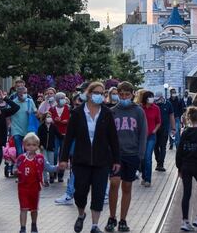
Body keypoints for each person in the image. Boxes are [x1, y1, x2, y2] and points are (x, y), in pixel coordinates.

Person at [59, 81, 121, 233]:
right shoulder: (77, 113)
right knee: (80, 192)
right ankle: (81, 214)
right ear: (89, 93)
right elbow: (68, 138)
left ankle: (94, 225)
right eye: (96, 92)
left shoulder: (107, 113)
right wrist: (63, 158)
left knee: (99, 193)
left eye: (102, 93)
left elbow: (113, 138)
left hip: (101, 160)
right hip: (81, 160)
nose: (99, 95)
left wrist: (116, 160)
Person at [106, 82, 146, 232]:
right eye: (121, 94)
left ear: (132, 94)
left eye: (126, 95)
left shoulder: (138, 111)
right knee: (114, 183)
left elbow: (143, 133)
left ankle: (123, 219)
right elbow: (107, 134)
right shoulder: (112, 111)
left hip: (132, 154)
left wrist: (140, 155)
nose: (123, 97)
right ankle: (112, 217)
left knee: (127, 186)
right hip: (116, 155)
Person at [177, 106, 197, 231]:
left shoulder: (185, 132)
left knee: (186, 192)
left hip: (185, 166)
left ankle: (185, 221)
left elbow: (179, 151)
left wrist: (178, 167)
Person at [16, 133, 53, 233]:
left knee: (34, 209)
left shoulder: (40, 158)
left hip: (35, 188)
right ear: (24, 145)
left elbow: (49, 168)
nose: (31, 147)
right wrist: (16, 172)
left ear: (37, 145)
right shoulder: (21, 158)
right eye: (28, 145)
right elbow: (16, 168)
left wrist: (58, 167)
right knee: (23, 208)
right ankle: (22, 228)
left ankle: (34, 225)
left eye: (33, 145)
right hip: (23, 187)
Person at [9, 79, 37, 157]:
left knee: (27, 150)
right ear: (17, 93)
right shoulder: (13, 101)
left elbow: (35, 111)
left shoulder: (30, 100)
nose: (23, 95)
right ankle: (19, 166)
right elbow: (7, 113)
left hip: (27, 129)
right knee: (19, 151)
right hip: (16, 129)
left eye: (25, 93)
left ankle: (26, 166)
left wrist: (31, 112)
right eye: (21, 93)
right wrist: (9, 125)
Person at [139, 89, 161, 187]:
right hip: (141, 137)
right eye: (150, 97)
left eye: (152, 97)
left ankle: (148, 179)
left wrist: (154, 130)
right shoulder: (140, 108)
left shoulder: (156, 108)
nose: (152, 99)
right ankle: (144, 176)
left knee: (148, 157)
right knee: (142, 158)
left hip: (151, 136)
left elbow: (159, 122)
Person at [49, 92, 70, 182]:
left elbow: (71, 119)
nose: (63, 100)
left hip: (65, 134)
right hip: (55, 134)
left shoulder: (68, 108)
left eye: (63, 98)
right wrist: (53, 120)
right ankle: (53, 173)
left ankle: (61, 174)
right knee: (54, 154)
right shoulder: (52, 109)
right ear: (57, 100)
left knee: (63, 155)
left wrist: (67, 121)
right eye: (61, 98)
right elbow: (47, 118)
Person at [154, 93, 174, 172]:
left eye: (158, 99)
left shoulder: (168, 104)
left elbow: (171, 116)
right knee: (155, 147)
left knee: (163, 147)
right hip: (155, 129)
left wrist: (173, 128)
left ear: (162, 97)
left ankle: (161, 164)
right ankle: (158, 161)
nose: (156, 100)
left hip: (164, 129)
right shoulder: (154, 104)